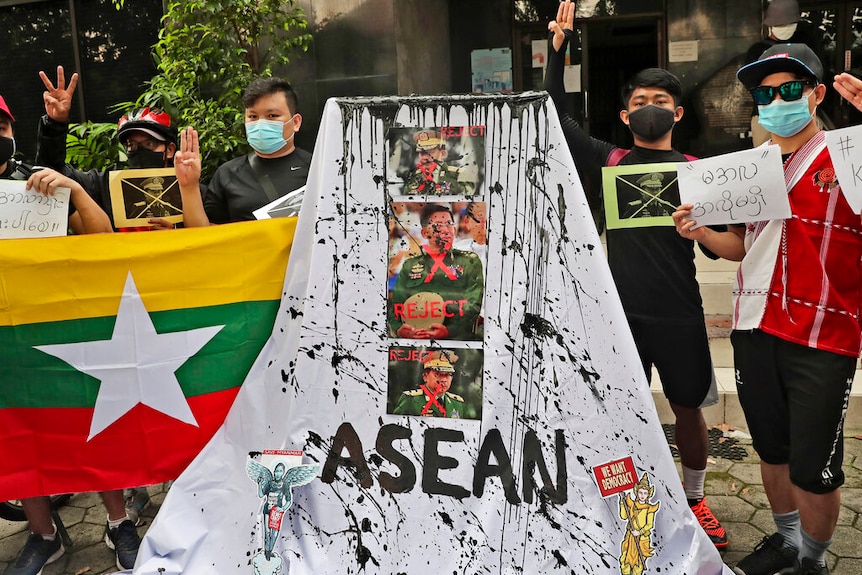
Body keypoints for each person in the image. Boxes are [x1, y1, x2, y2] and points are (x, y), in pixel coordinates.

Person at [544, 0, 727, 549]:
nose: (651, 107)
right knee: (619, 411)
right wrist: (559, 51)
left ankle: (695, 499)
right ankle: (628, 504)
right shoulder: (610, 161)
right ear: (625, 116)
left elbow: (727, 247)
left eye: (661, 101)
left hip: (679, 312)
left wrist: (705, 230)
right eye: (641, 102)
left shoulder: (700, 173)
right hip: (618, 314)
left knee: (690, 408)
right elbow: (552, 110)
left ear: (679, 114)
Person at [674, 44, 862, 575]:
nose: (777, 100)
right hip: (754, 327)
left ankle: (813, 560)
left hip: (823, 333)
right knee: (772, 450)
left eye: (789, 89)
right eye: (764, 93)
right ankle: (784, 541)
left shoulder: (848, 156)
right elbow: (740, 247)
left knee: (813, 466)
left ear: (817, 94)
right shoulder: (749, 171)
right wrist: (701, 230)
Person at [0, 93, 138, 575]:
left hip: (66, 328)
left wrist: (76, 193)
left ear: (11, 129)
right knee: (16, 434)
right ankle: (43, 536)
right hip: (5, 341)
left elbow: (100, 240)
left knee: (91, 419)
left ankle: (119, 521)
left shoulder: (34, 181)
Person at [35, 66, 181, 232]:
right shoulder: (106, 184)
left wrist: (177, 237)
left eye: (149, 144)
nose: (139, 151)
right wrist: (55, 124)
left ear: (169, 150)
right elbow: (51, 173)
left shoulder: (187, 188)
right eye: (131, 145)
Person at [174, 77, 311, 226]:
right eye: (253, 116)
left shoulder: (316, 169)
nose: (260, 123)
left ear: (295, 122)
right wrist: (189, 187)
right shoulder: (228, 174)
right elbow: (204, 235)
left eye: (272, 116)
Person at [388, 203, 484, 341]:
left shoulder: (469, 261)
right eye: (438, 225)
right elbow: (396, 307)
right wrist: (400, 330)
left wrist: (450, 331)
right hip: (417, 341)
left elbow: (474, 306)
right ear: (424, 233)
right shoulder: (410, 265)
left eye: (449, 223)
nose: (445, 229)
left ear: (455, 229)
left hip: (458, 342)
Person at [392, 350, 465, 418]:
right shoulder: (411, 400)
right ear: (425, 377)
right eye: (437, 374)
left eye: (448, 375)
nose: (443, 380)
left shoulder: (456, 403)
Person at [401, 130, 475, 196]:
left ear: (442, 154)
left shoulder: (458, 176)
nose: (424, 158)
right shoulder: (413, 178)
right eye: (422, 153)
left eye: (430, 153)